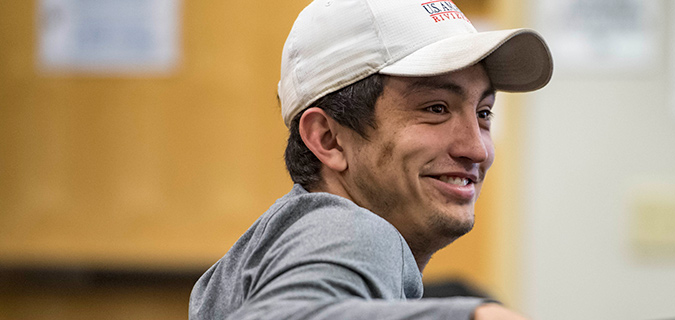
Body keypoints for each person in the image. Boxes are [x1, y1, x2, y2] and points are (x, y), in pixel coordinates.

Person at [188, 0, 552, 319]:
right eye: (436, 108)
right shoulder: (353, 232)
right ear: (328, 139)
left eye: (484, 113)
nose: (477, 149)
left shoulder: (276, 239)